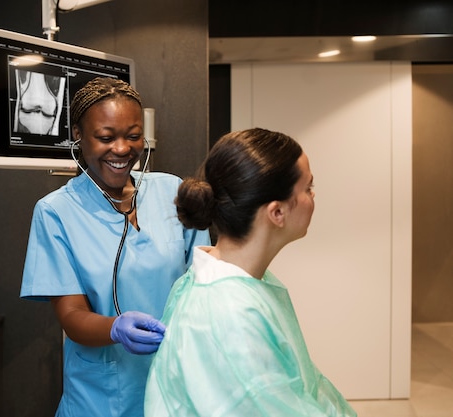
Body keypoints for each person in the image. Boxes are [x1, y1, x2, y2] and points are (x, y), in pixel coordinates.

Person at [20, 77, 210, 417]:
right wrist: (114, 328)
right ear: (78, 134)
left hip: (175, 386)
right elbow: (72, 316)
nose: (122, 149)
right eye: (106, 137)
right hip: (101, 399)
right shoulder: (55, 212)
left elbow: (205, 282)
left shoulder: (171, 191)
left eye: (133, 136)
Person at [144, 128, 357, 416]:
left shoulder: (238, 282)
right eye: (307, 188)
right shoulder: (231, 314)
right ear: (277, 213)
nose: (313, 195)